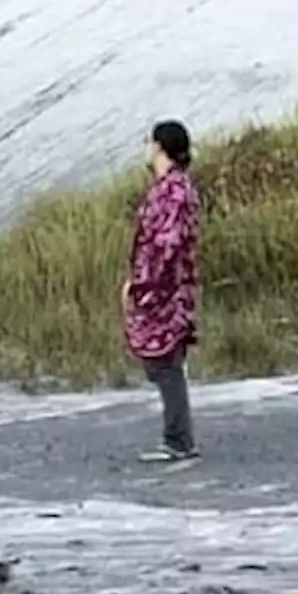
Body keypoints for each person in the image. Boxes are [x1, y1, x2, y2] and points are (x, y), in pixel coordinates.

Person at [122, 120, 202, 462]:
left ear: (159, 147)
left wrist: (143, 283)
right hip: (168, 286)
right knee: (163, 361)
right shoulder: (172, 188)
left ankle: (178, 439)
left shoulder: (172, 191)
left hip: (164, 289)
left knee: (164, 359)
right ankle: (178, 436)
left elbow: (165, 245)